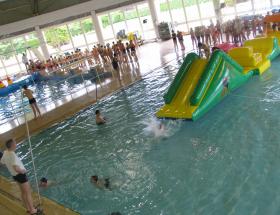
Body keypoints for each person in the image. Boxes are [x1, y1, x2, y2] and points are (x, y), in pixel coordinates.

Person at [0, 139, 41, 215]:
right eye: (15, 143)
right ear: (12, 145)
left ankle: (28, 208)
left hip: (14, 176)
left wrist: (9, 165)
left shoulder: (5, 152)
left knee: (23, 192)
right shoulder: (12, 154)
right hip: (20, 175)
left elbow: (2, 162)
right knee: (28, 193)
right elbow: (16, 168)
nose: (16, 144)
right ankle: (32, 210)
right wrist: (24, 171)